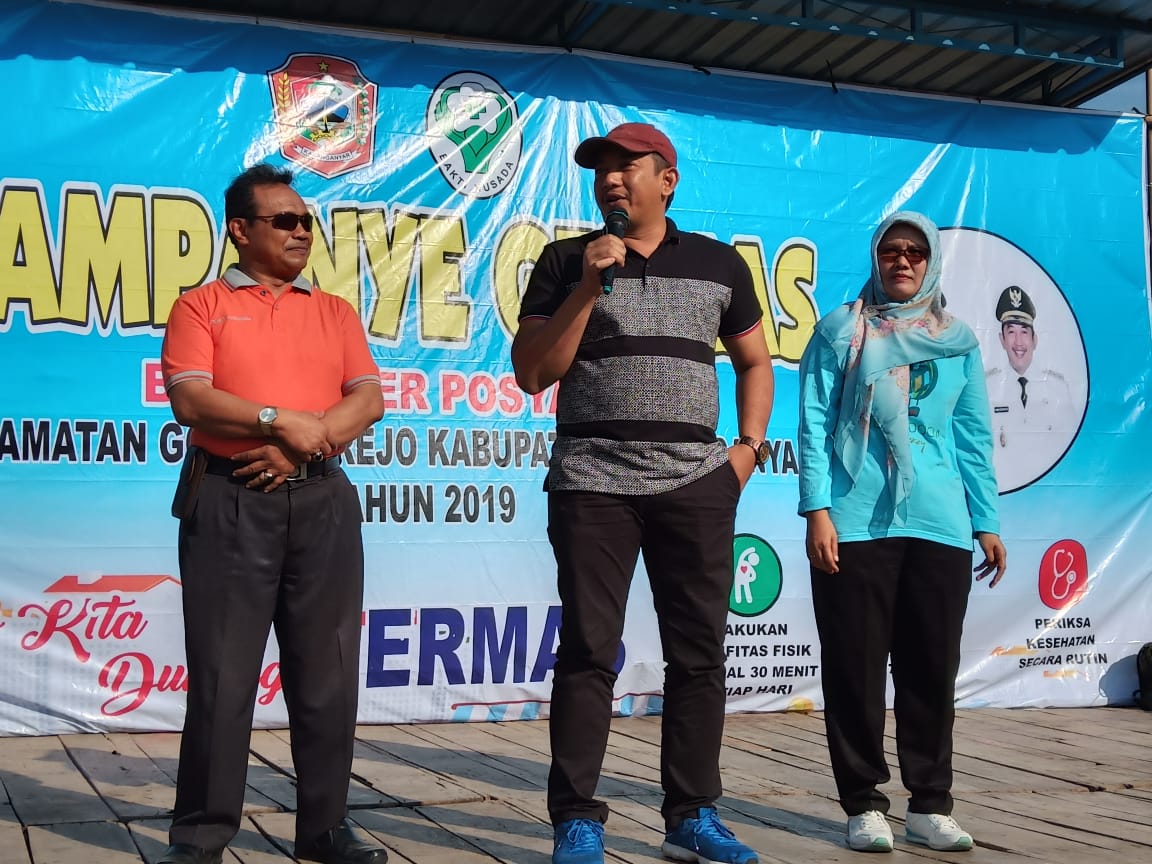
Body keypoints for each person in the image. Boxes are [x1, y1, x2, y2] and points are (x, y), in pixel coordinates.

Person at [512, 122, 774, 864]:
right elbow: (533, 372)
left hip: (695, 482)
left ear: (668, 180)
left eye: (628, 166)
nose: (612, 179)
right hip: (592, 480)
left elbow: (755, 362)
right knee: (589, 650)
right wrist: (588, 287)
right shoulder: (566, 260)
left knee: (699, 654)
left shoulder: (719, 264)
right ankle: (576, 819)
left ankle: (691, 815)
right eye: (602, 169)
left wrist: (746, 452)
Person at [158, 163, 387, 864]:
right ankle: (201, 836)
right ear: (240, 230)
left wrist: (299, 446)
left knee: (327, 675)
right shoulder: (200, 306)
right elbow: (191, 399)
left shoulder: (334, 311)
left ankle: (325, 829)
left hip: (322, 501)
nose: (300, 232)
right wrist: (276, 420)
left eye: (305, 221)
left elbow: (368, 399)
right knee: (223, 677)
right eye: (283, 221)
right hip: (229, 500)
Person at [797, 211, 1007, 854]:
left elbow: (972, 437)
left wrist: (986, 520)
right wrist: (817, 510)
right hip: (855, 520)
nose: (904, 261)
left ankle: (930, 805)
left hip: (940, 523)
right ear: (876, 257)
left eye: (916, 252)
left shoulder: (957, 340)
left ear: (932, 261)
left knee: (930, 669)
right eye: (892, 250)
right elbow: (813, 422)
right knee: (855, 669)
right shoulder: (841, 329)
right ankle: (863, 803)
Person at [984, 285, 1073, 488]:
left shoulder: (1058, 388)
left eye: (1024, 332)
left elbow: (1070, 450)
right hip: (1003, 490)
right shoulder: (986, 387)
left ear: (1035, 339)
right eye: (1011, 332)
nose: (1018, 342)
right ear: (1002, 340)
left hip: (1050, 490)